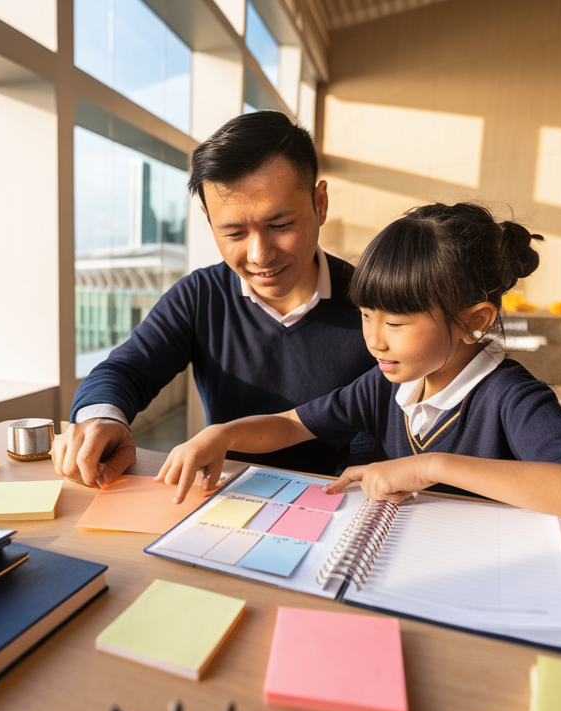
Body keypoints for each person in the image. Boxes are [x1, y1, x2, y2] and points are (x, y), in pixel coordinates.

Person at [155, 203, 561, 530]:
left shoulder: (510, 397)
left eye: (396, 322)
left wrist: (427, 467)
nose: (373, 340)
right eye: (366, 316)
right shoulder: (387, 385)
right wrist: (220, 435)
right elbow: (290, 426)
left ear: (474, 321)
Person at [54, 111, 379, 490]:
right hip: (231, 494)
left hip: (347, 498)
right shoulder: (200, 295)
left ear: (319, 203)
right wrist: (102, 419)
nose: (259, 254)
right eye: (234, 232)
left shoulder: (375, 302)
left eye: (281, 225)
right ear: (208, 220)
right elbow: (125, 370)